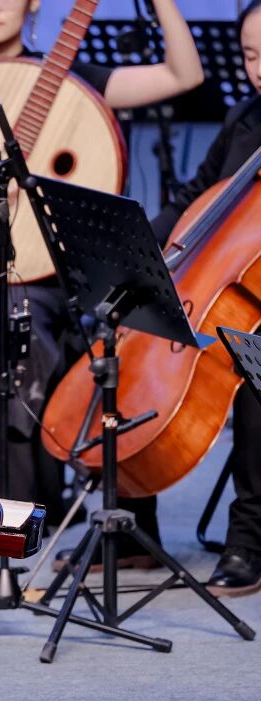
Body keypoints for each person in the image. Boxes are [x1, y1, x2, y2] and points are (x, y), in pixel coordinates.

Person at [0, 0, 203, 522]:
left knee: (22, 321)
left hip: (41, 273)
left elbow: (183, 75)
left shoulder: (71, 75)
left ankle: (23, 497)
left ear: (32, 3)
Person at [135, 0, 261, 596]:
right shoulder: (245, 118)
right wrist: (140, 248)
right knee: (128, 328)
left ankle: (249, 539)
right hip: (234, 292)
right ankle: (131, 529)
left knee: (256, 365)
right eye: (251, 55)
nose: (260, 69)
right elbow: (195, 196)